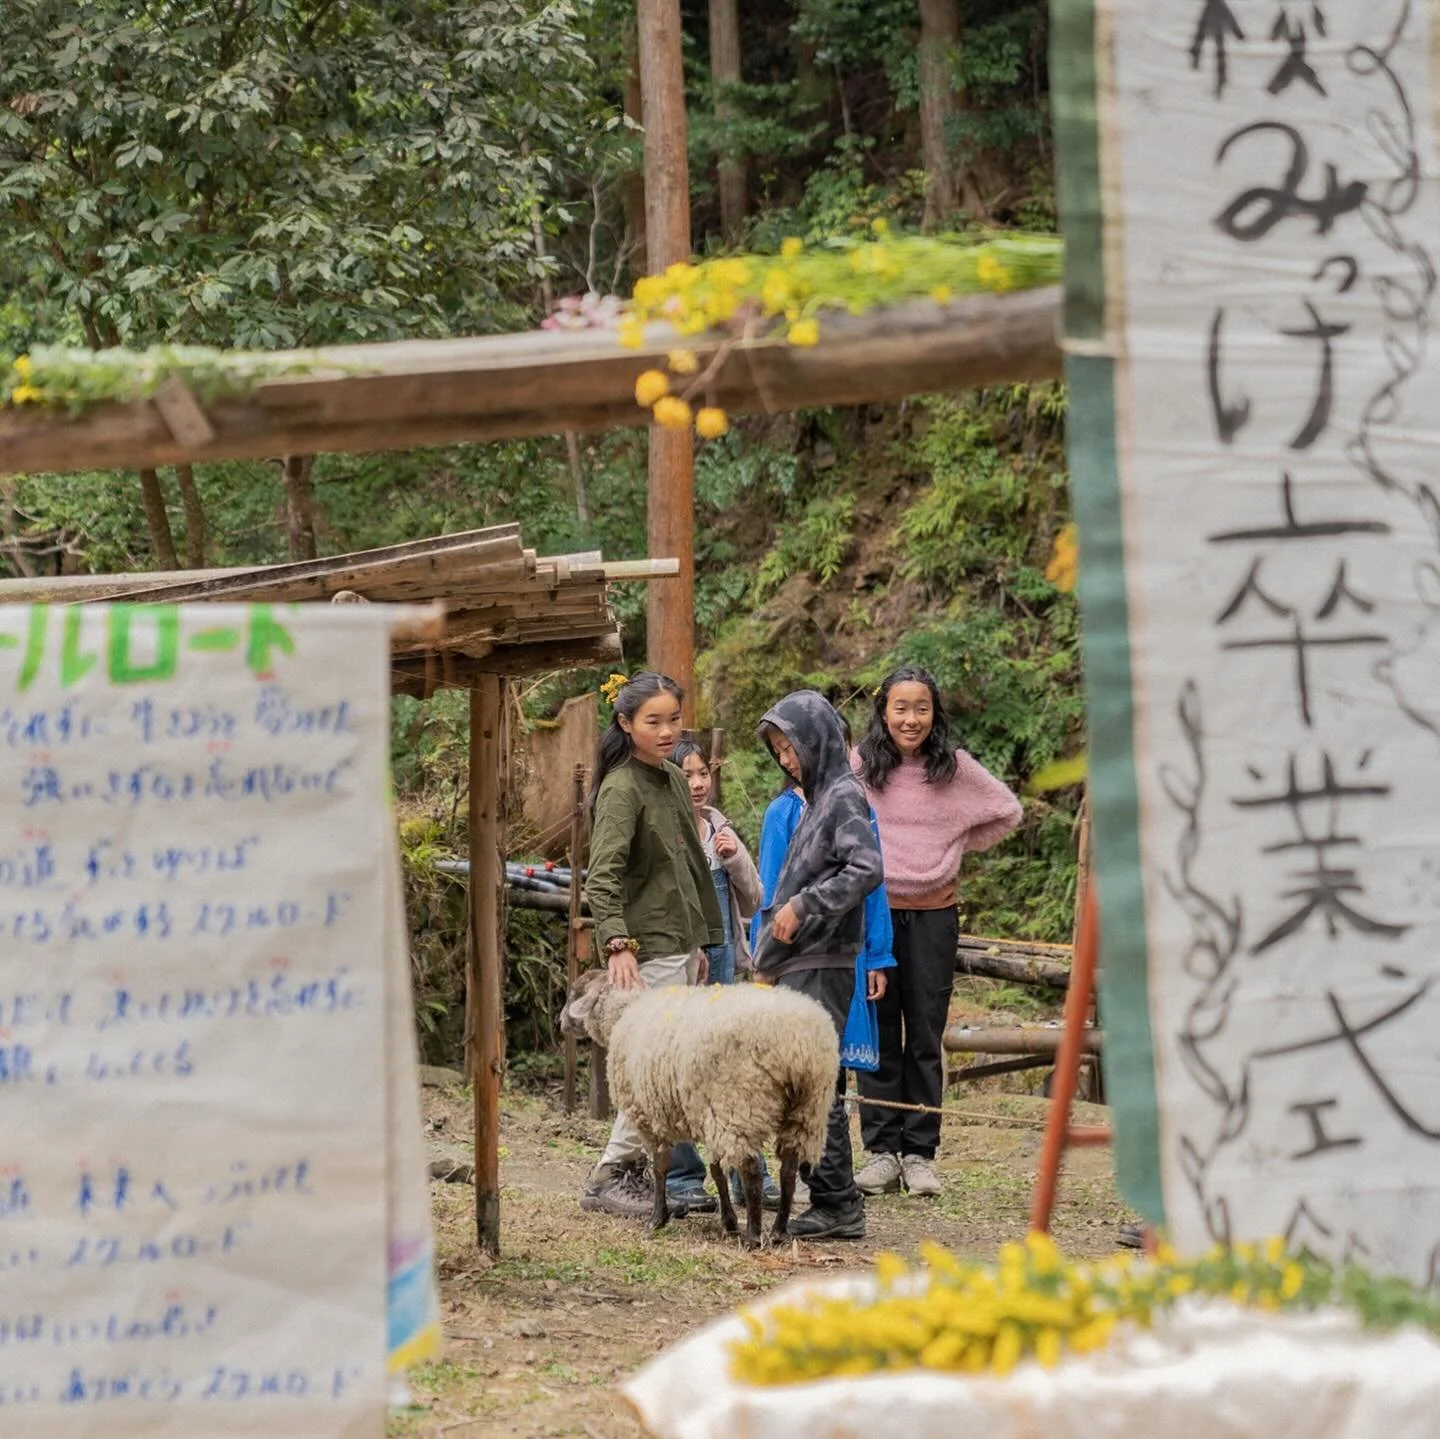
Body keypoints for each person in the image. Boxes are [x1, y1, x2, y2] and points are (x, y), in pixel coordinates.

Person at [852, 665, 1022, 1198]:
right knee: (878, 1033)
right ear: (884, 712)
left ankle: (920, 1154)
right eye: (900, 708)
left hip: (934, 916)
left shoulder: (955, 769)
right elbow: (830, 815)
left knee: (925, 1034)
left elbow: (1005, 811)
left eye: (920, 708)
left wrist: (954, 847)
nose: (911, 718)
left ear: (934, 712)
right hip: (873, 915)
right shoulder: (860, 766)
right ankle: (881, 1151)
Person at [580, 673, 725, 1220]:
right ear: (625, 724)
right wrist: (617, 943)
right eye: (653, 721)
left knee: (665, 1067)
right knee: (652, 1070)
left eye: (673, 719)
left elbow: (689, 864)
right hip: (646, 947)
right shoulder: (621, 787)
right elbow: (603, 874)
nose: (667, 731)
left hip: (679, 942)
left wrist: (700, 941)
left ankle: (632, 1172)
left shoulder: (667, 775)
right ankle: (611, 1174)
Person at [752, 690, 884, 1241]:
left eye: (791, 747)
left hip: (824, 956)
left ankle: (836, 1200)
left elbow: (867, 868)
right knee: (803, 1079)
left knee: (815, 1081)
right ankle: (830, 1193)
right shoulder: (819, 797)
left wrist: (805, 906)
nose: (786, 759)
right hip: (803, 957)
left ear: (818, 740)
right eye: (778, 750)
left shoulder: (843, 798)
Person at [663, 736, 771, 1211]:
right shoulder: (663, 826)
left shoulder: (719, 826)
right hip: (679, 954)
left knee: (729, 1062)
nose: (698, 783)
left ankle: (747, 1169)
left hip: (723, 956)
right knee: (682, 1061)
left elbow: (754, 898)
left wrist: (734, 856)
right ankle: (683, 1175)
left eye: (702, 773)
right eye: (686, 775)